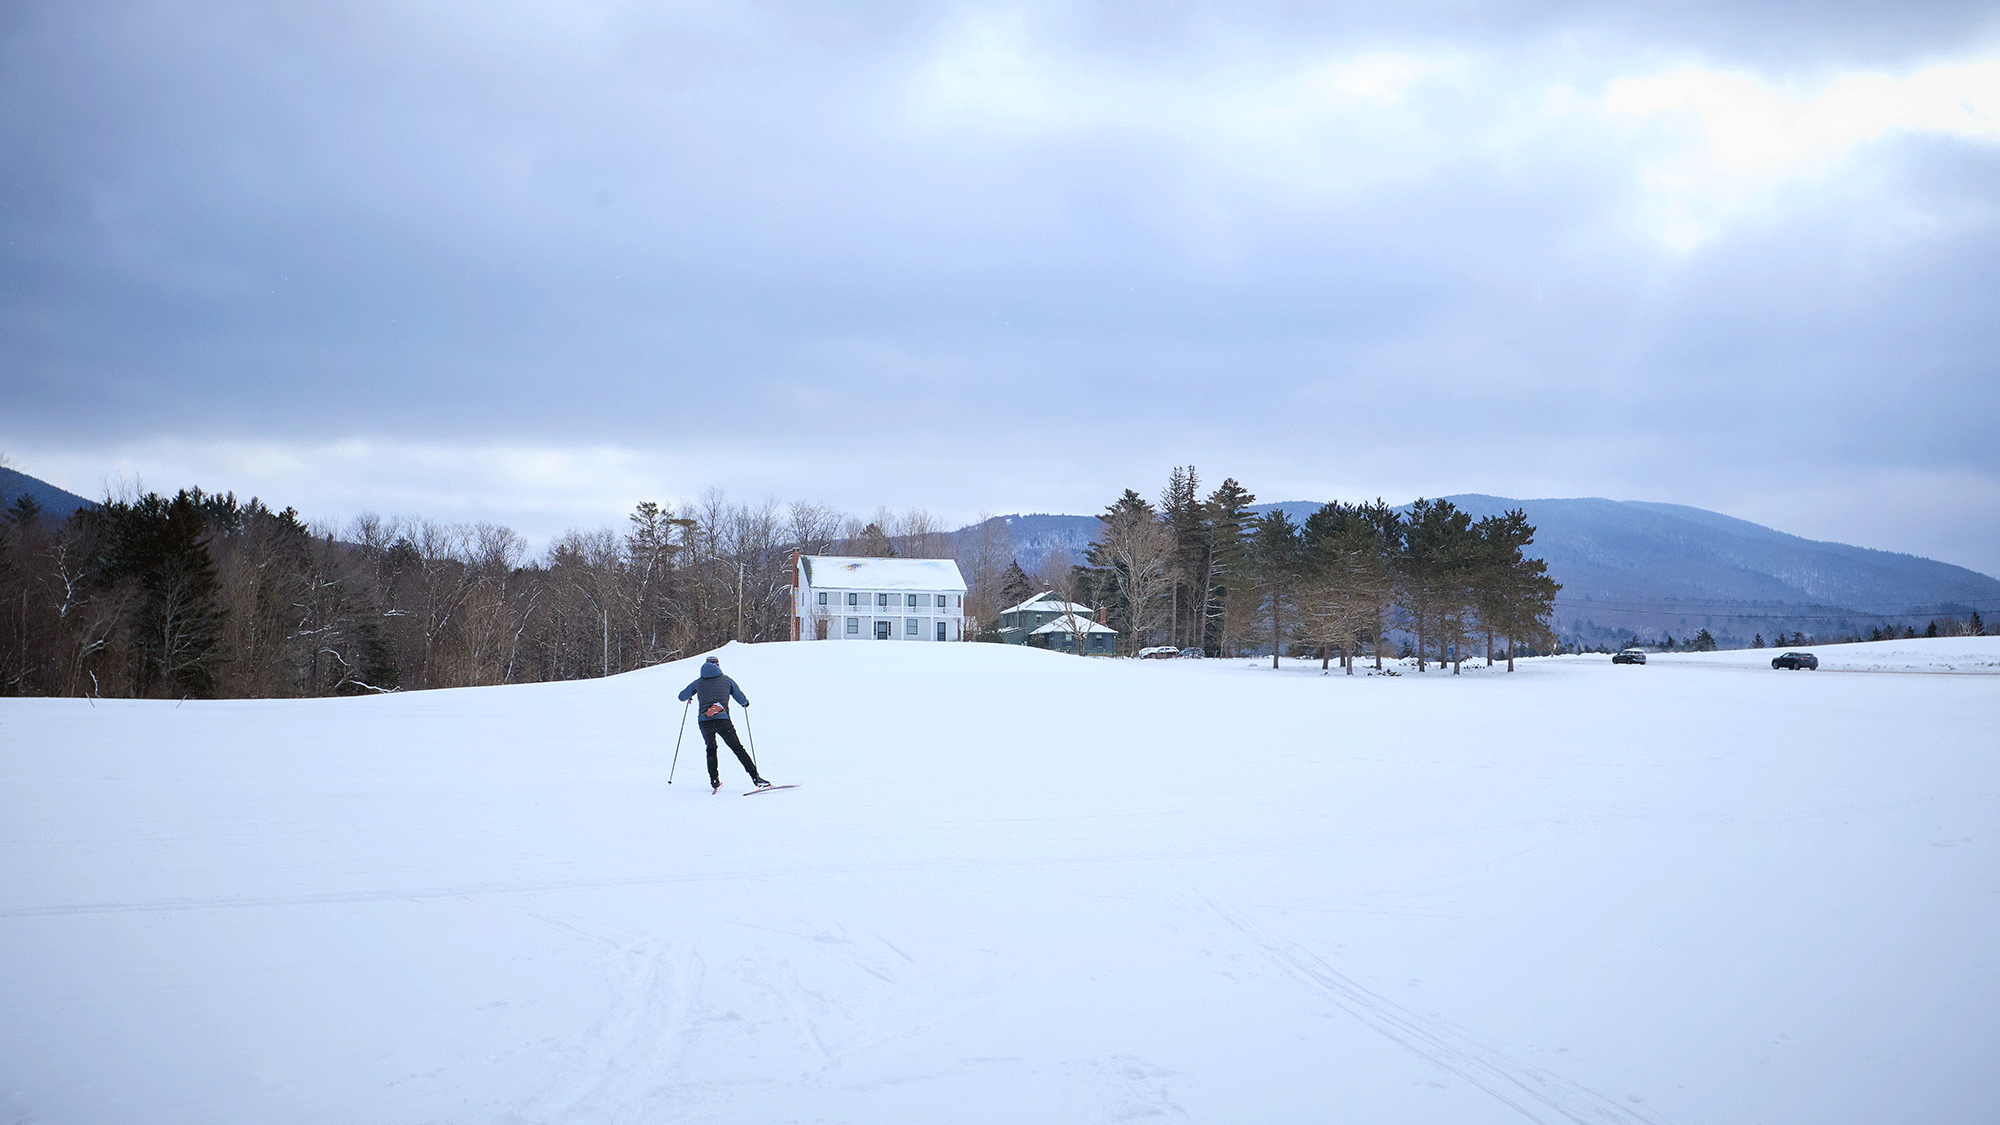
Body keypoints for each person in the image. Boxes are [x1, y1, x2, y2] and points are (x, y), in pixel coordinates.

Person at [679, 656, 769, 793]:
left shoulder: (698, 682)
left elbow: (681, 696)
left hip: (704, 722)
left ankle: (714, 781)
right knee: (738, 749)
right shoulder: (726, 680)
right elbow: (740, 697)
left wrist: (690, 696)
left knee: (711, 748)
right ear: (717, 666)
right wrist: (745, 703)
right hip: (722, 720)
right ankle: (756, 778)